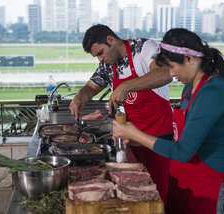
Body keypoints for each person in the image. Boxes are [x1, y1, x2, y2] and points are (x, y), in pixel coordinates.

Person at [113, 28, 224, 214]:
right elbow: (182, 138)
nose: (170, 73)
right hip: (182, 181)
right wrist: (138, 140)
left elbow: (183, 152)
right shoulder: (189, 87)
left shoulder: (213, 92)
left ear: (189, 59)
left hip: (206, 188)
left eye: (172, 67)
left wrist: (135, 133)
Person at [69, 24, 173, 204]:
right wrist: (79, 97)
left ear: (111, 40)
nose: (100, 59)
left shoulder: (143, 48)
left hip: (157, 140)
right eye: (97, 57)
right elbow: (89, 88)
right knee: (132, 195)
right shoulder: (107, 66)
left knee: (156, 196)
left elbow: (165, 74)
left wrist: (126, 86)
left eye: (101, 53)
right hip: (130, 140)